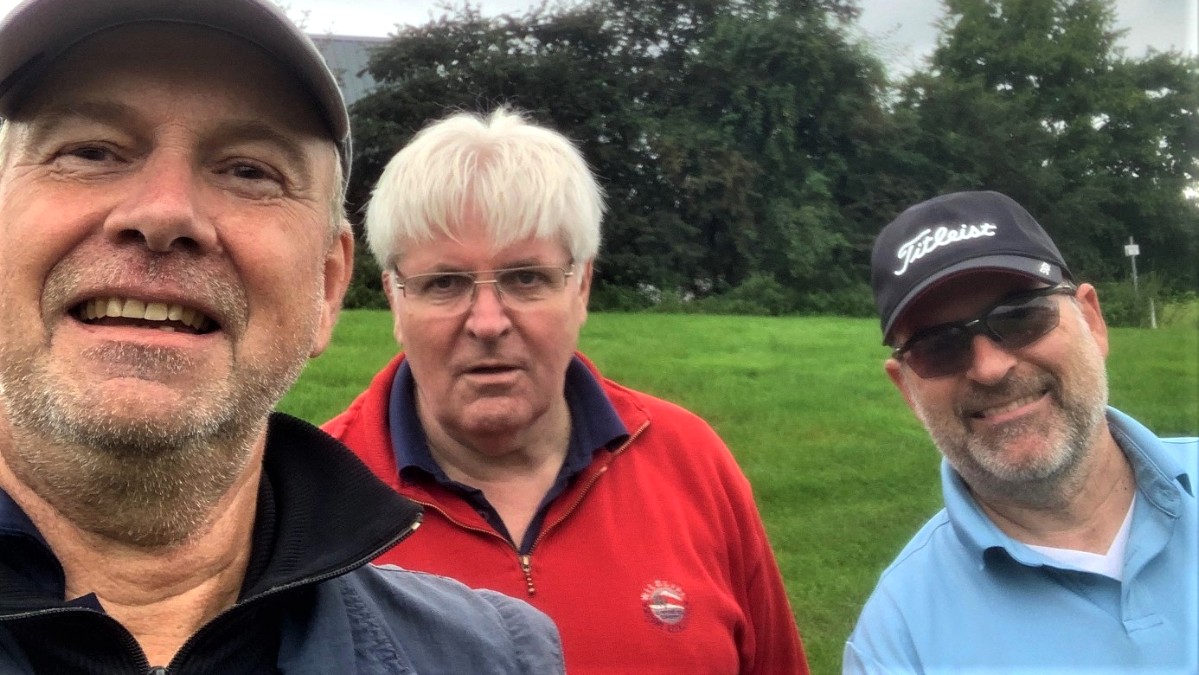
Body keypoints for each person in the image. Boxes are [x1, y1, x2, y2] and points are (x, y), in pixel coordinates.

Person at [0, 1, 566, 672]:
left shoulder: (490, 656)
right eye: (90, 151)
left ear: (327, 286)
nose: (164, 213)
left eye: (249, 170)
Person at [322, 107, 809, 674]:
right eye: (444, 283)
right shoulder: (316, 501)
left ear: (581, 288)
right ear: (395, 299)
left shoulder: (691, 460)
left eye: (526, 277)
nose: (487, 322)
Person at [844, 190, 1197, 674]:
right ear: (907, 389)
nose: (990, 368)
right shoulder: (896, 645)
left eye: (1020, 316)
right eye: (939, 346)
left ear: (1092, 321)